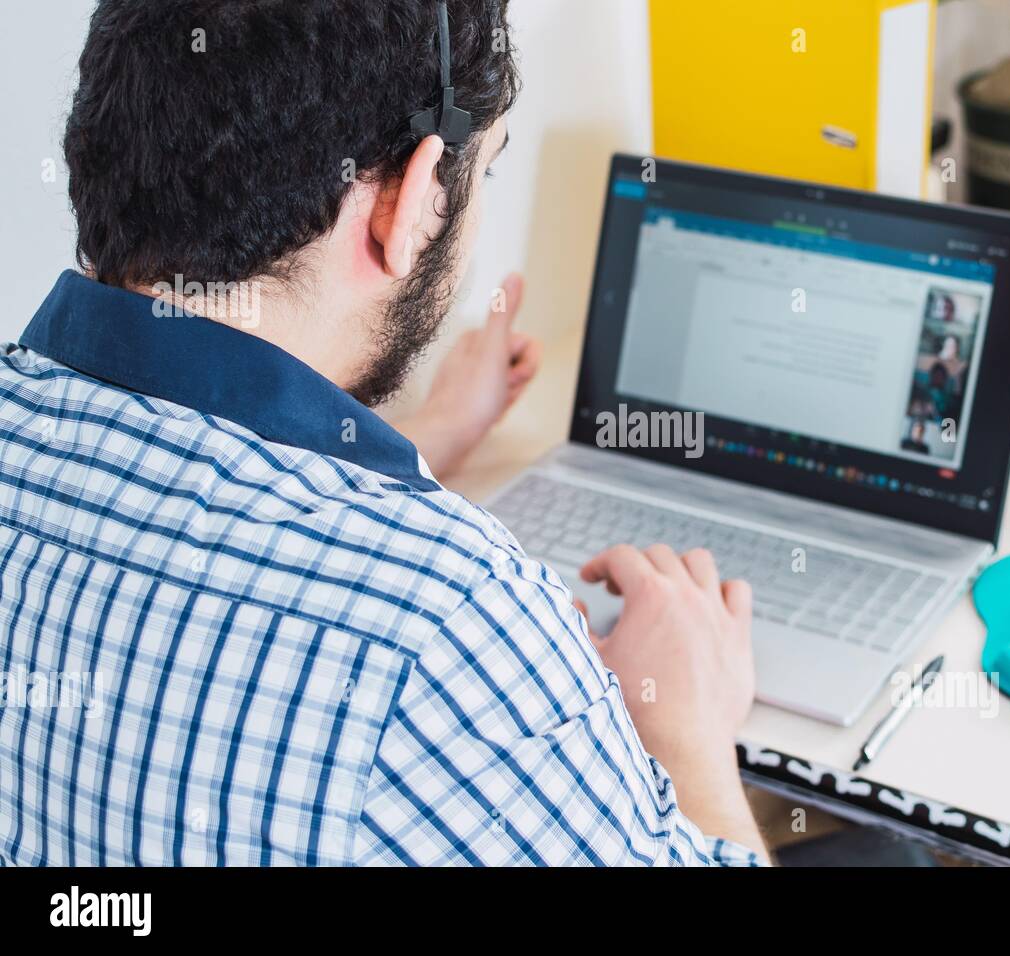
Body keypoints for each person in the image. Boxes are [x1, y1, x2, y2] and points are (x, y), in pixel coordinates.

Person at [0, 0, 766, 866]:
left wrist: (435, 430)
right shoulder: (448, 622)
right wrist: (692, 731)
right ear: (405, 202)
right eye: (488, 171)